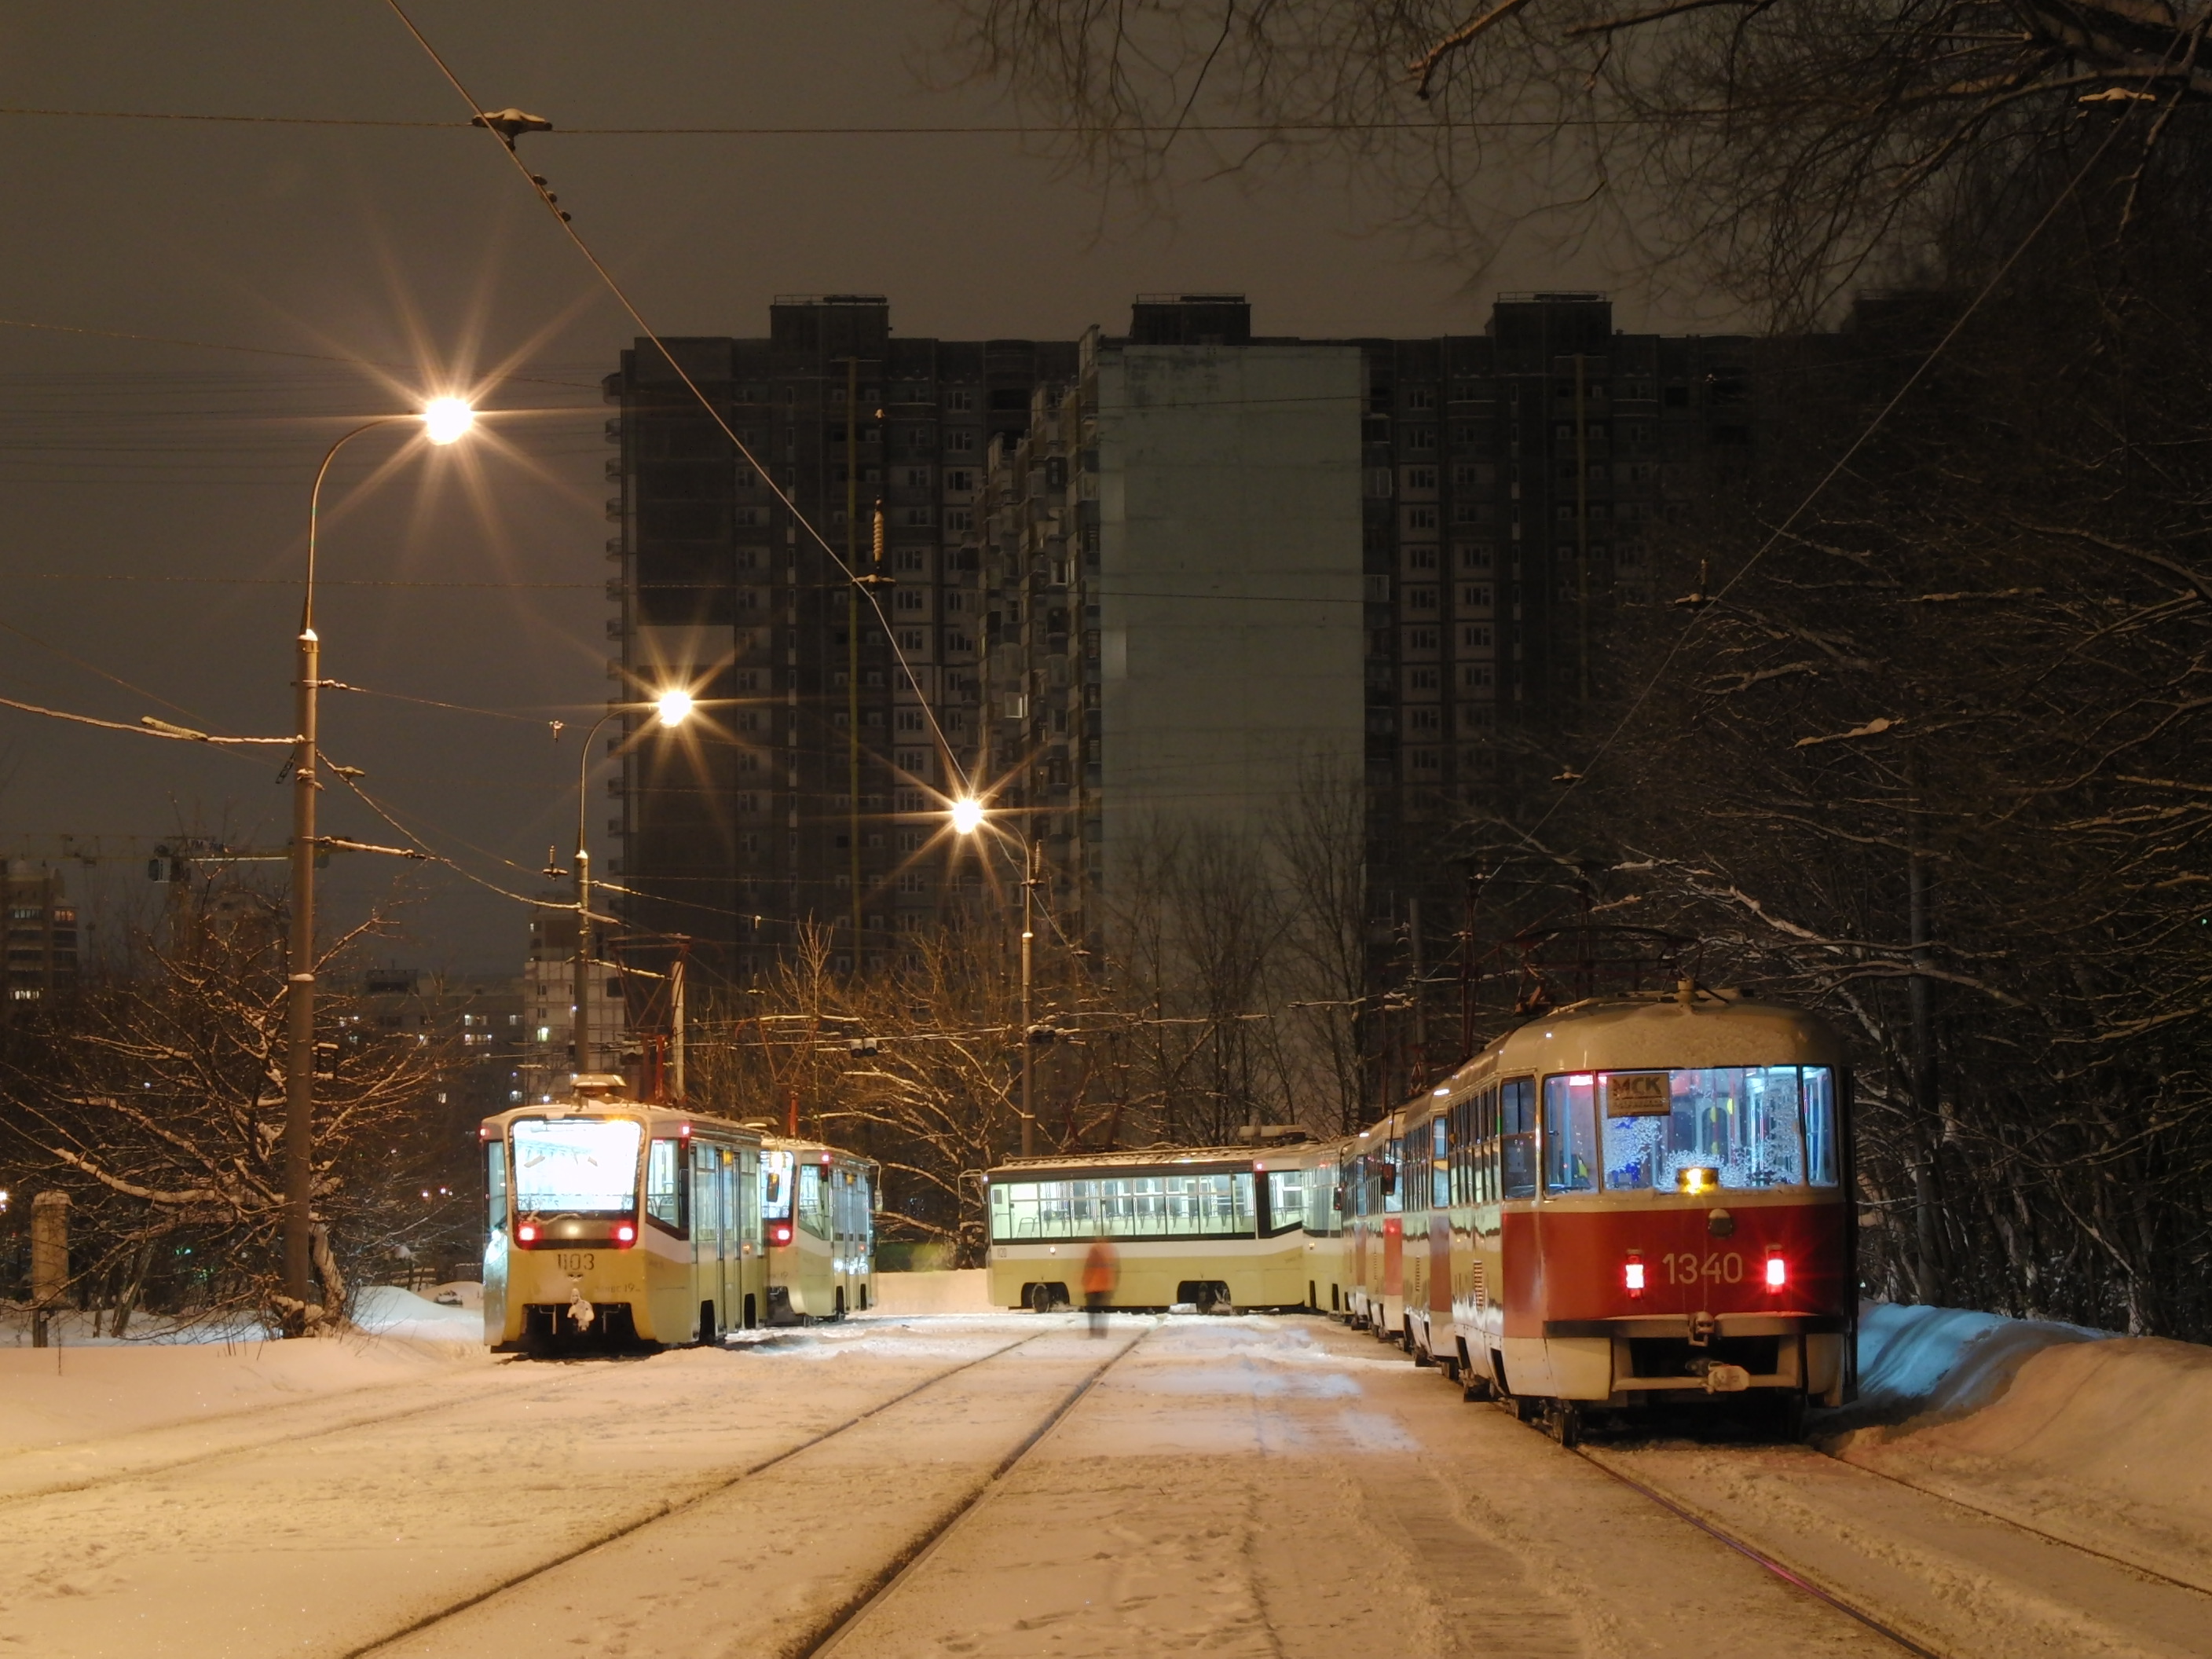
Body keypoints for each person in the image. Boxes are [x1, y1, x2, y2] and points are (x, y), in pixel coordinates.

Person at [1081, 1236, 1119, 1336]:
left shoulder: (1095, 1250)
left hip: (1093, 1287)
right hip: (1106, 1286)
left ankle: (1093, 1332)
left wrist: (1085, 1281)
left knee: (1093, 1312)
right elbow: (1116, 1269)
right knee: (1104, 1311)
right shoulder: (1110, 1249)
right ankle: (1103, 1332)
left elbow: (1089, 1267)